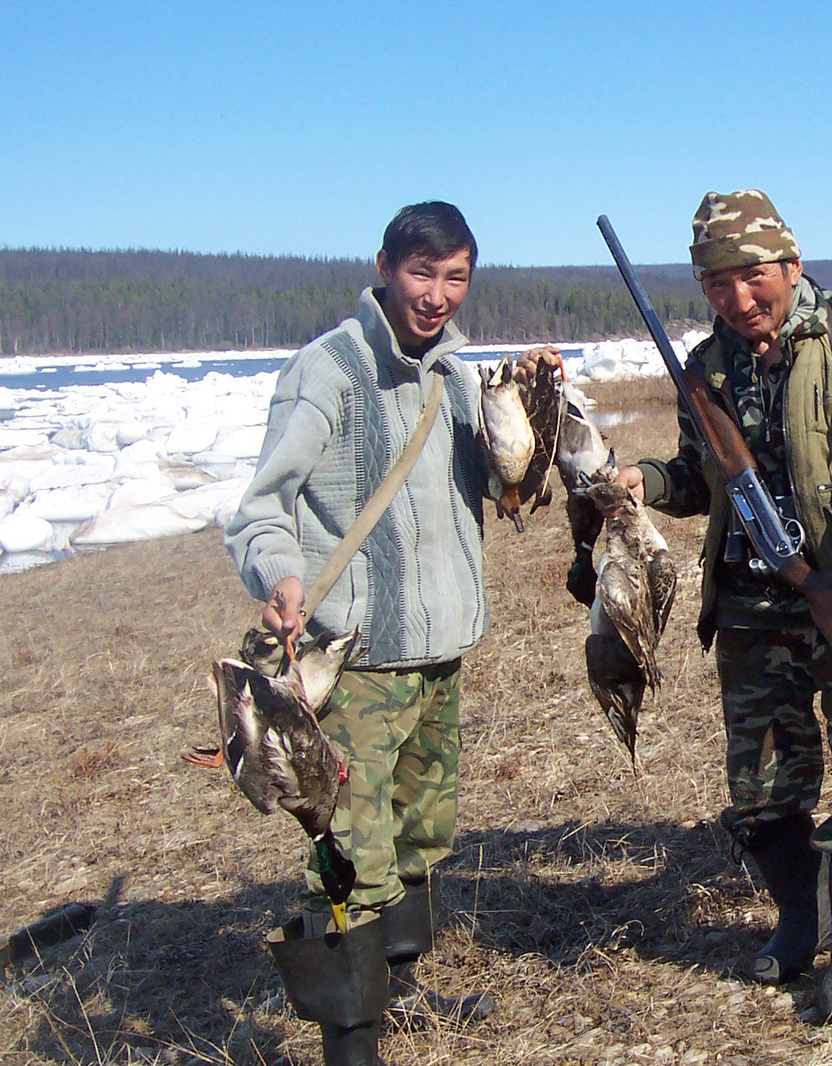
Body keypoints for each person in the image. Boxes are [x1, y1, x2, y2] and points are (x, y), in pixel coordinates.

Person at [611, 190, 832, 1022]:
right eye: (717, 283)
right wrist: (644, 483)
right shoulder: (707, 367)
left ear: (791, 266)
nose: (737, 297)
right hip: (752, 610)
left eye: (752, 275)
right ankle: (800, 916)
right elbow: (700, 477)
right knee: (762, 787)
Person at [225, 202, 525, 1064]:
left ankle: (399, 982)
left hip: (438, 653)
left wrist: (534, 430)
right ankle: (350, 1038)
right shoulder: (328, 373)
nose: (437, 296)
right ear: (386, 267)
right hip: (355, 661)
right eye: (422, 274)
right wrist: (281, 577)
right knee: (350, 852)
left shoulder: (460, 379)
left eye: (456, 277)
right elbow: (260, 510)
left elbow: (503, 486)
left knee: (420, 831)